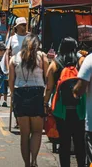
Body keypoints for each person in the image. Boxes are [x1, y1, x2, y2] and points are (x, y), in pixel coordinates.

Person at [9, 34, 48, 167]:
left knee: (24, 134)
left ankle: (26, 164)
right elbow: (47, 77)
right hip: (37, 92)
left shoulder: (14, 58)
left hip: (20, 92)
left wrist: (14, 96)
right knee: (37, 131)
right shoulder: (42, 56)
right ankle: (34, 161)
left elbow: (11, 81)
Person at [45, 37, 86, 167]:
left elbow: (49, 87)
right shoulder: (81, 61)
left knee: (64, 142)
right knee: (80, 141)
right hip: (80, 107)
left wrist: (45, 103)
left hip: (61, 109)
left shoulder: (55, 63)